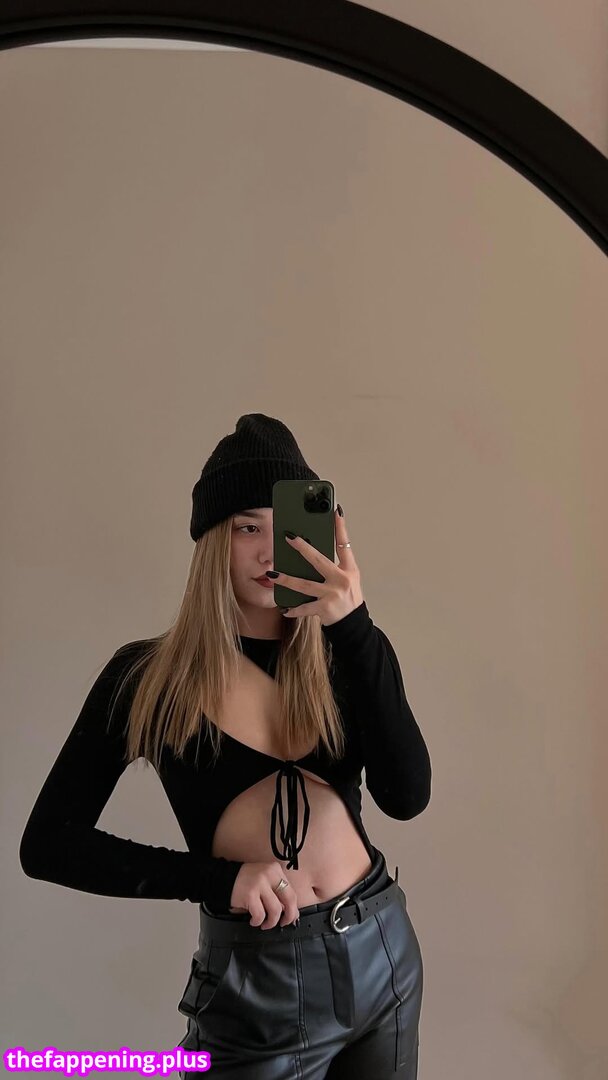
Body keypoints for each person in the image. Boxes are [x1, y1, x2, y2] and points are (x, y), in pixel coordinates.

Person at [19, 413, 432, 1078]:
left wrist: (354, 627)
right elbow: (48, 844)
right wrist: (218, 880)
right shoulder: (148, 678)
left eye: (286, 527)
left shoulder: (347, 652)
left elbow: (406, 797)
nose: (270, 551)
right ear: (213, 541)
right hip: (258, 981)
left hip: (382, 952)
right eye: (247, 528)